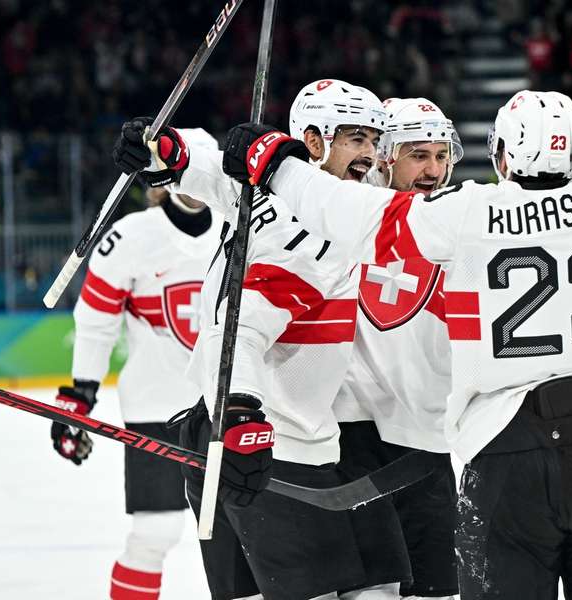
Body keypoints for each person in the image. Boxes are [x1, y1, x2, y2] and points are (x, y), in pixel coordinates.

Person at [220, 7, 572, 599]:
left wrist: (277, 167)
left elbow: (358, 217)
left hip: (504, 449)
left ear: (503, 157)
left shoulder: (468, 216)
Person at [113, 79, 409, 599]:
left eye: (373, 141)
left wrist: (166, 153)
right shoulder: (321, 235)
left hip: (233, 431)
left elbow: (214, 173)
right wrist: (244, 417)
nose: (371, 156)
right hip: (272, 444)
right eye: (356, 140)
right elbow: (240, 330)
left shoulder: (266, 193)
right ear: (313, 142)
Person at [53, 181, 221, 600]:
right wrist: (81, 395)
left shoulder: (238, 224)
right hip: (156, 405)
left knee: (246, 537)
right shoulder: (130, 236)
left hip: (229, 406)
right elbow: (96, 321)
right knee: (155, 531)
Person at [339, 97, 464, 600]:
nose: (433, 169)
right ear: (385, 157)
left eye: (440, 155)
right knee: (374, 593)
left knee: (437, 593)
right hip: (355, 441)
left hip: (429, 440)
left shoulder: (458, 225)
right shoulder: (342, 218)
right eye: (418, 155)